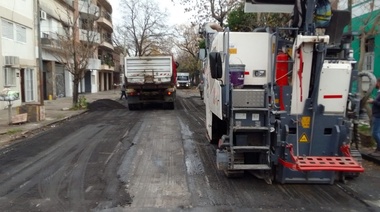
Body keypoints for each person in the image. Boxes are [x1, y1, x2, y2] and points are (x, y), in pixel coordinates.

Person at [367, 78, 380, 157]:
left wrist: (373, 101)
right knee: (377, 133)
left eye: (376, 82)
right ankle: (378, 149)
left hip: (378, 115)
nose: (375, 84)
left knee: (375, 133)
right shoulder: (378, 93)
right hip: (376, 115)